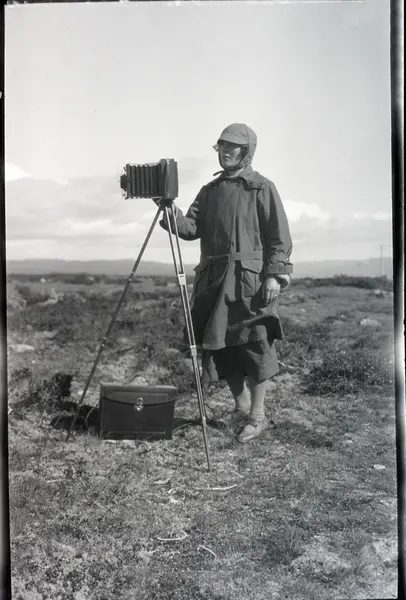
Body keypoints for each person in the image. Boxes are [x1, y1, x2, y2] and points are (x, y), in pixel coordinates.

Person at [161, 123, 293, 443]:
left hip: (251, 282)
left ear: (247, 152)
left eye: (232, 147)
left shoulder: (262, 188)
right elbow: (191, 228)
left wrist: (275, 275)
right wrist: (165, 206)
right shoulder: (210, 192)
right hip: (214, 281)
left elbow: (278, 236)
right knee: (220, 347)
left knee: (254, 346)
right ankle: (242, 407)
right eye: (221, 146)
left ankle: (258, 416)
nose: (225, 152)